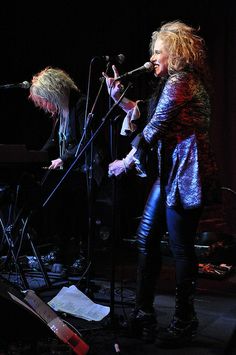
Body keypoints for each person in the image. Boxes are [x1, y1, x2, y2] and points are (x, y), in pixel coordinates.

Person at [103, 20, 220, 347]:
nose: (152, 58)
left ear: (177, 54)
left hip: (187, 174)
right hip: (171, 173)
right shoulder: (172, 83)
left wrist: (125, 162)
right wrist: (121, 101)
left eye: (158, 52)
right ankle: (144, 313)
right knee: (147, 237)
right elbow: (152, 115)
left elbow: (154, 129)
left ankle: (184, 321)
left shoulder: (182, 81)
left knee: (181, 249)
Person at [29, 67, 104, 270]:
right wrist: (33, 158)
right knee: (49, 194)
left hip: (87, 170)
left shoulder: (80, 104)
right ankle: (59, 249)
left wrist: (63, 158)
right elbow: (52, 142)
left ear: (53, 93)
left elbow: (87, 141)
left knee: (68, 199)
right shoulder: (60, 111)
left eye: (44, 100)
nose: (44, 106)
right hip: (71, 172)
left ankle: (82, 252)